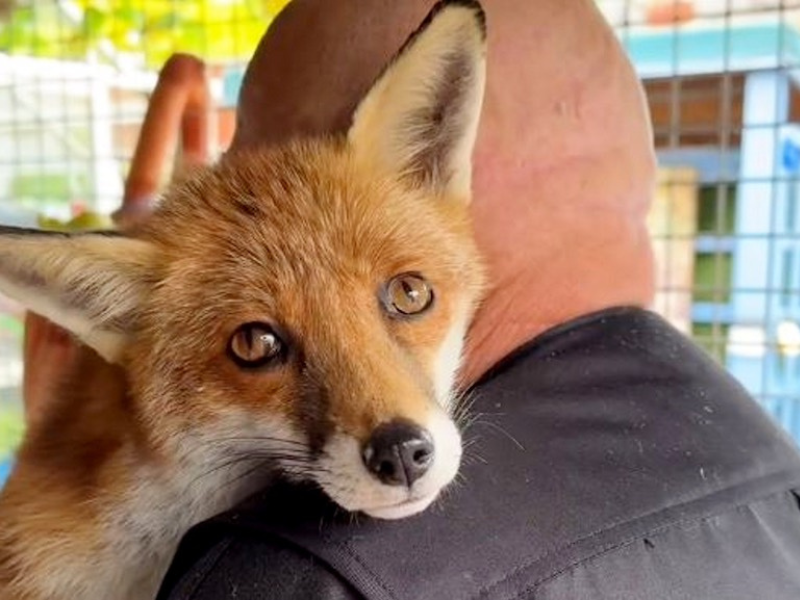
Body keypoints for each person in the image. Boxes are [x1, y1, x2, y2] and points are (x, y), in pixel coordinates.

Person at [152, 1, 800, 599]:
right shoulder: (778, 472)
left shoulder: (295, 574)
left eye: (245, 148)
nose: (222, 184)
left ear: (425, 152)